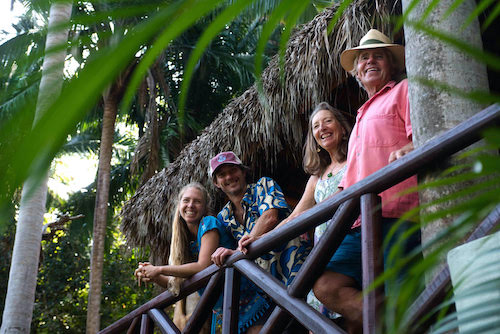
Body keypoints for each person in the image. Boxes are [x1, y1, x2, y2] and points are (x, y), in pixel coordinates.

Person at [308, 29, 421, 334]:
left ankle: (404, 321)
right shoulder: (360, 116)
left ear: (391, 65)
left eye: (378, 56)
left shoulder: (404, 90)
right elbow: (350, 180)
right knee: (323, 283)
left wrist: (410, 148)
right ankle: (391, 323)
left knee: (402, 286)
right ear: (357, 70)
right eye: (364, 58)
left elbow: (424, 135)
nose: (370, 61)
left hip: (398, 211)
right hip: (357, 222)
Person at [238, 102, 352, 319]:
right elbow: (296, 216)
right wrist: (260, 237)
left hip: (353, 240)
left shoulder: (355, 158)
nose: (322, 128)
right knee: (319, 316)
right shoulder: (317, 176)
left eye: (328, 121)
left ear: (343, 128)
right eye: (316, 126)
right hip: (326, 249)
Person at [134, 182, 270, 334]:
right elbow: (176, 285)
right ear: (179, 205)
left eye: (197, 201)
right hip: (230, 311)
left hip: (251, 302)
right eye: (186, 200)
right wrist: (153, 275)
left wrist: (159, 268)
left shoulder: (208, 223)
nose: (190, 205)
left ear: (205, 207)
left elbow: (202, 266)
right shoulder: (185, 242)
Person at [209, 151, 310, 288]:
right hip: (267, 283)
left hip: (298, 266)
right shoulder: (223, 216)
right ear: (216, 183)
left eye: (233, 170)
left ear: (243, 172)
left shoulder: (263, 185)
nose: (229, 177)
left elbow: (269, 217)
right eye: (222, 175)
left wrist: (242, 247)